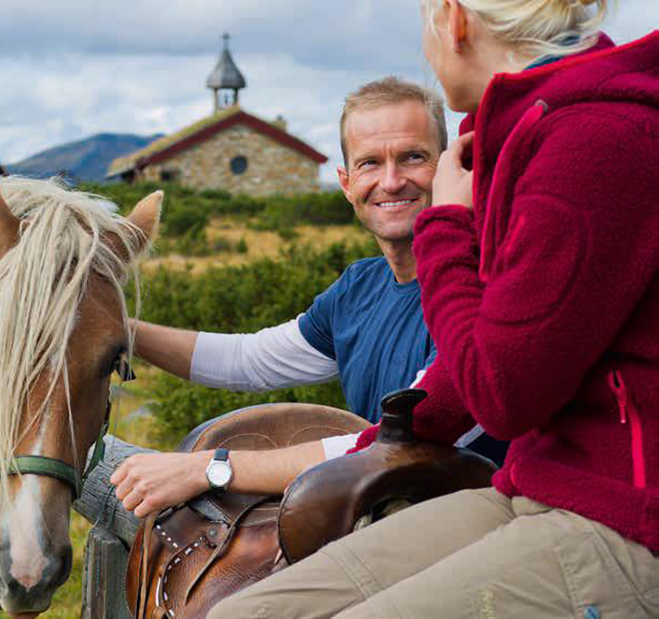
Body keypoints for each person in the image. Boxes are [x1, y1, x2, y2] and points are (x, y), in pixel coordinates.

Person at [209, 1, 658, 617]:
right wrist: (370, 451)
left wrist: (446, 225)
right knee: (241, 612)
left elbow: (502, 393)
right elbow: (463, 375)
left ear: (452, 19)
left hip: (625, 520)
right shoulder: (536, 131)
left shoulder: (596, 142)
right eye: (369, 163)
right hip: (537, 488)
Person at [77, 77, 505, 539]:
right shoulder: (360, 288)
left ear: (449, 169)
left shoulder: (482, 283)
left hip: (472, 533)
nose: (391, 180)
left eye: (413, 157)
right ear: (345, 183)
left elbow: (399, 440)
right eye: (369, 163)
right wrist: (117, 327)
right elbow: (250, 360)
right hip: (382, 522)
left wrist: (210, 468)